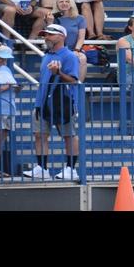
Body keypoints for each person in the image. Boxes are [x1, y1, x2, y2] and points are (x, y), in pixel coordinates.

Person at [27, 24, 81, 180]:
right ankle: (41, 168)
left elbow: (73, 80)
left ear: (61, 36)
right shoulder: (47, 55)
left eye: (50, 34)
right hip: (42, 102)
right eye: (45, 34)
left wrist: (58, 73)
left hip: (63, 102)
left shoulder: (70, 56)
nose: (46, 37)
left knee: (69, 135)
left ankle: (71, 169)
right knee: (40, 134)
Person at [0, 42, 17, 180]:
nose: (4, 60)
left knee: (0, 139)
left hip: (8, 108)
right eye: (1, 57)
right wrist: (5, 88)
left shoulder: (6, 69)